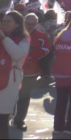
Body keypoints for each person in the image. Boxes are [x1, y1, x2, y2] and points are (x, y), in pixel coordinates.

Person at [13, 14, 47, 132]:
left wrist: (34, 52)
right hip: (12, 71)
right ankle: (7, 116)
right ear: (24, 22)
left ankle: (19, 120)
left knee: (24, 97)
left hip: (30, 72)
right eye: (28, 23)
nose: (30, 26)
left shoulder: (41, 36)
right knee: (10, 95)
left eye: (33, 24)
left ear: (36, 24)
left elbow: (47, 49)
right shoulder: (15, 34)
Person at [0, 11, 30, 139]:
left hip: (10, 80)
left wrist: (4, 39)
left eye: (9, 21)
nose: (4, 23)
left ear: (17, 24)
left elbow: (17, 54)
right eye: (4, 21)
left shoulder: (24, 39)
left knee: (2, 117)